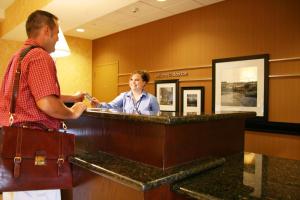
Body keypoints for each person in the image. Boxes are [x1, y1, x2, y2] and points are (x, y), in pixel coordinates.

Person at [0, 10, 87, 200]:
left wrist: (72, 97)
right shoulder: (39, 56)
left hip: (15, 146)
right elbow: (46, 103)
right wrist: (73, 112)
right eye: (57, 33)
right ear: (47, 31)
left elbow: (35, 94)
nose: (57, 39)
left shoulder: (17, 57)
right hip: (36, 152)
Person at [92, 70, 160, 114]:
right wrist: (99, 104)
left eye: (136, 80)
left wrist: (143, 113)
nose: (133, 82)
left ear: (144, 83)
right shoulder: (124, 96)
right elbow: (111, 106)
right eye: (131, 79)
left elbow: (158, 116)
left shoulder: (151, 98)